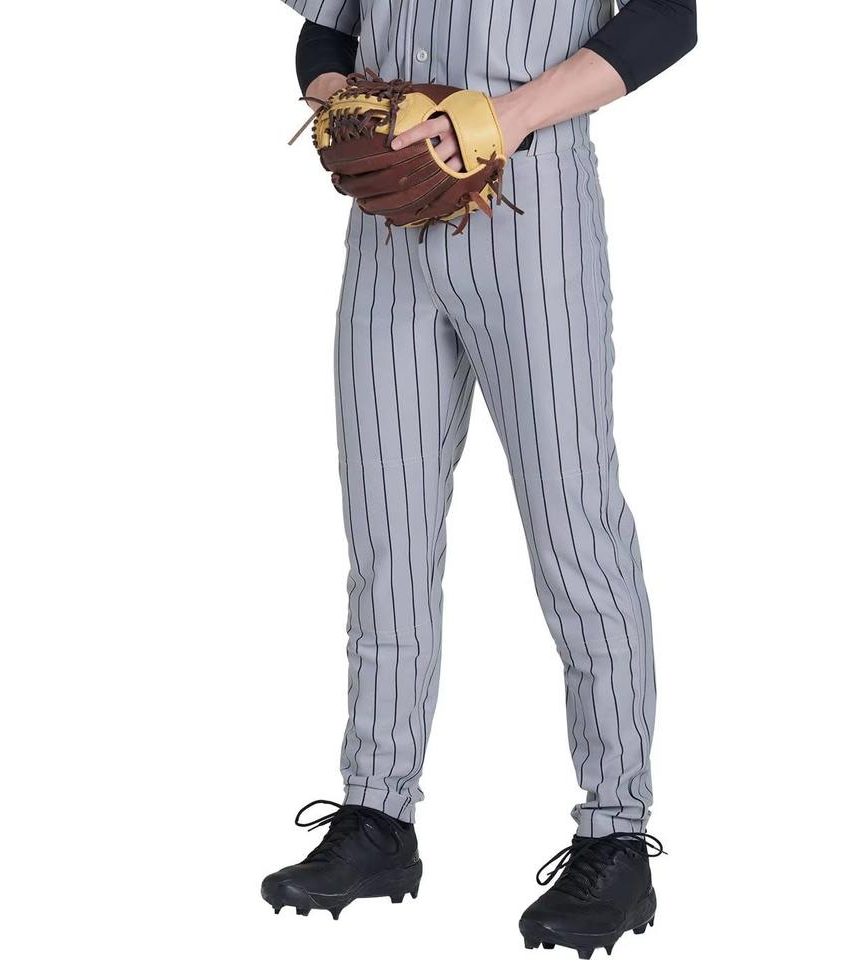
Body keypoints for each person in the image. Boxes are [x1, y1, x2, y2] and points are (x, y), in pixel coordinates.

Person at [262, 2, 696, 955]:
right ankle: (377, 817)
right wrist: (340, 104)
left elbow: (669, 19)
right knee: (387, 538)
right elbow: (328, 29)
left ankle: (617, 834)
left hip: (530, 219)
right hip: (389, 238)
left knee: (575, 533)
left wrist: (508, 115)